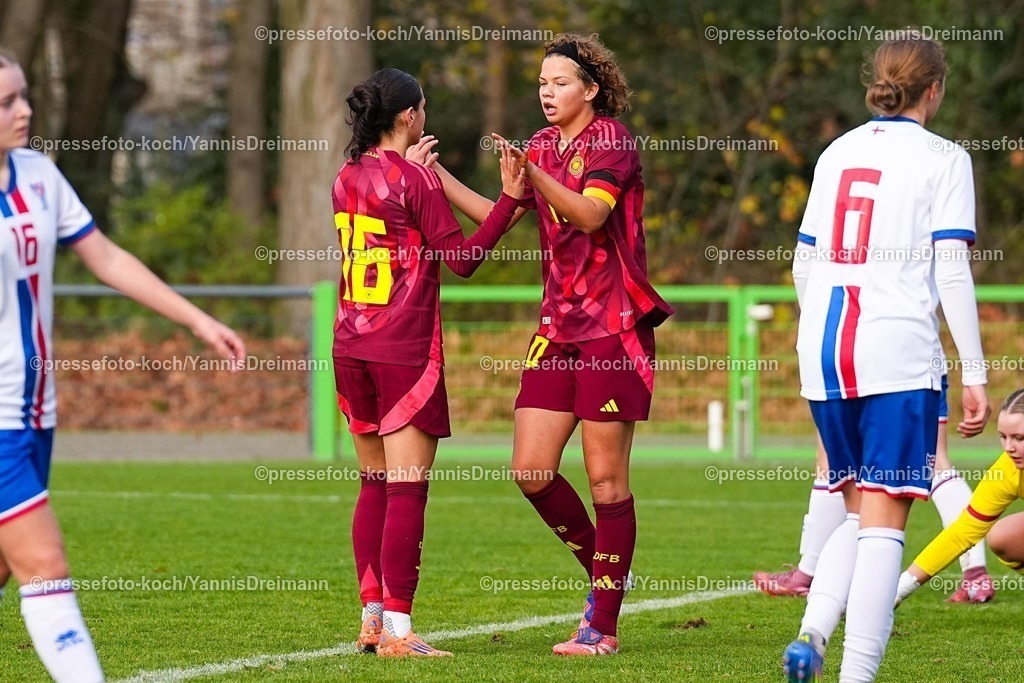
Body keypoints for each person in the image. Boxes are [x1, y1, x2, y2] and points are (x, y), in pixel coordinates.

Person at [408, 32, 674, 656]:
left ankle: (601, 626)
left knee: (607, 481)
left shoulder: (612, 140)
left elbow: (589, 214)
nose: (547, 94)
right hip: (556, 330)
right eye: (541, 85)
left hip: (613, 329)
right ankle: (605, 580)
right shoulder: (540, 147)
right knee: (530, 470)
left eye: (558, 83)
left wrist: (534, 176)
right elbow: (499, 207)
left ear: (591, 88)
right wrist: (436, 174)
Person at [0, 48, 245, 683]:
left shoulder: (36, 175)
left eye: (23, 95)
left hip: (34, 411)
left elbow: (105, 257)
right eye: (7, 103)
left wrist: (196, 319)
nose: (24, 110)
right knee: (46, 564)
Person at [780, 33, 990, 682]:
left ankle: (812, 634)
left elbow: (803, 262)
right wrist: (976, 372)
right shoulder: (944, 157)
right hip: (895, 346)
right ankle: (856, 673)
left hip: (824, 345)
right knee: (885, 520)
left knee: (856, 506)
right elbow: (952, 269)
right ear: (936, 89)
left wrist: (811, 333)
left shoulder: (837, 150)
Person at [335, 68, 524, 658]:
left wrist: (422, 172)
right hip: (404, 349)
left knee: (374, 484)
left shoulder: (345, 175)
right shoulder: (413, 180)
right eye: (424, 108)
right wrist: (513, 200)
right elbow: (464, 259)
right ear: (409, 117)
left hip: (350, 346)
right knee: (408, 489)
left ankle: (371, 620)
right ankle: (399, 631)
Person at [755, 376, 994, 603]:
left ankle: (809, 572)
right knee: (937, 463)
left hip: (858, 361)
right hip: (921, 363)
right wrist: (974, 375)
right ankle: (975, 574)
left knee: (832, 462)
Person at [895, 389, 1024, 606]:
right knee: (1003, 537)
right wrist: (899, 590)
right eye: (1003, 437)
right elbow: (961, 534)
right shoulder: (1007, 470)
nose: (1009, 447)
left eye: (1019, 438)